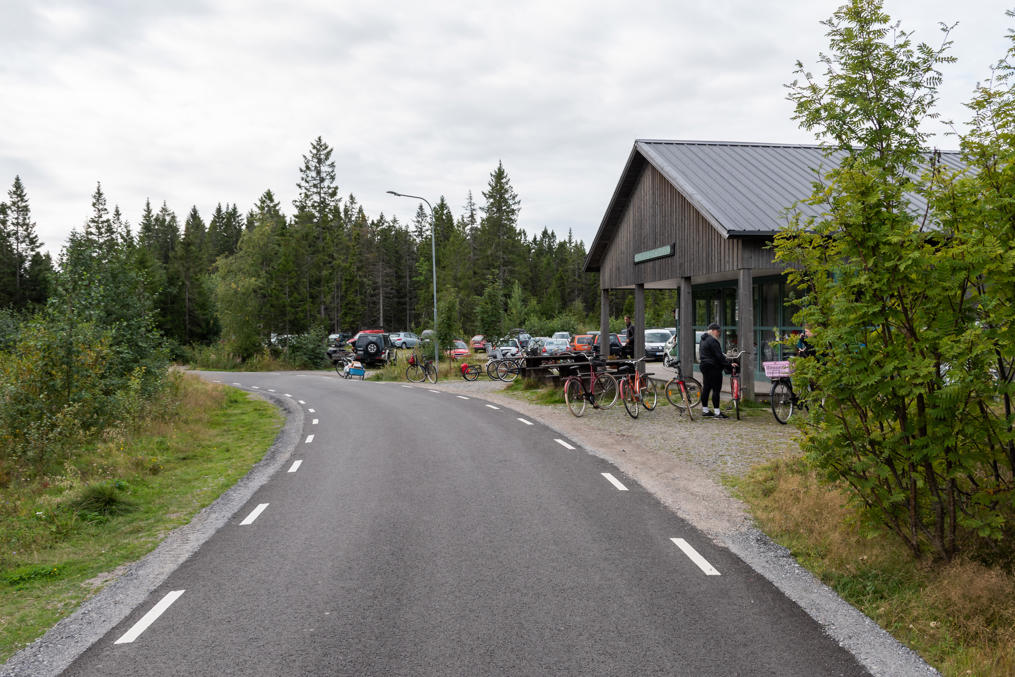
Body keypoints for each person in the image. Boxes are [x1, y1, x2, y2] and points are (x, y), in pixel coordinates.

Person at [698, 322, 730, 419]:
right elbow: (719, 356)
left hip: (704, 366)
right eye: (718, 331)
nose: (719, 333)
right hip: (713, 367)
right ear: (712, 331)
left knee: (706, 388)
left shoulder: (703, 339)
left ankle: (705, 410)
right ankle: (717, 412)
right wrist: (729, 365)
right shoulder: (712, 341)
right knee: (716, 389)